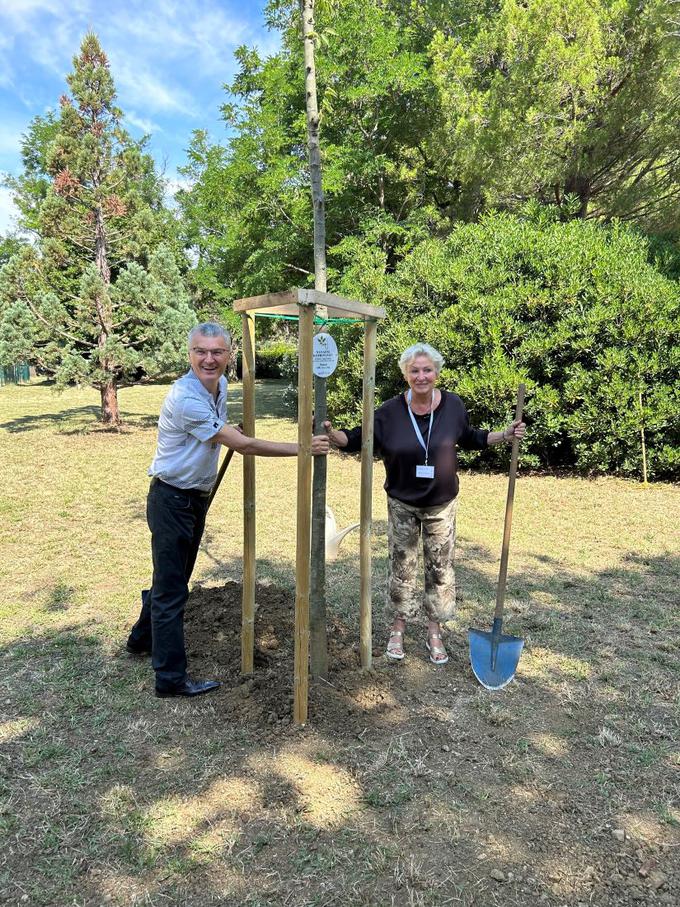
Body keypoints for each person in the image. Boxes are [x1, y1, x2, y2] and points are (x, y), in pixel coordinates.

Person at [127, 322, 330, 698]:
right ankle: (169, 680)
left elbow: (222, 432)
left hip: (191, 498)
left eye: (217, 352)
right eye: (201, 351)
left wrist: (223, 429)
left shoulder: (217, 386)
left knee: (172, 578)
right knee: (173, 589)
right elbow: (246, 445)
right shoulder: (186, 398)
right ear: (189, 354)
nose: (209, 359)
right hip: (172, 499)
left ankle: (141, 639)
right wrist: (303, 447)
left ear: (228, 355)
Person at [324, 342, 525, 666]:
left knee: (440, 569)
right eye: (414, 370)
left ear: (436, 373)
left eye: (427, 370)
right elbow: (358, 437)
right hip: (402, 503)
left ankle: (434, 631)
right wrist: (336, 437)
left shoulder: (453, 406)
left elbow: (471, 436)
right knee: (401, 568)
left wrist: (504, 434)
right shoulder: (389, 412)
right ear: (405, 374)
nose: (421, 376)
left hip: (441, 505)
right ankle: (398, 630)